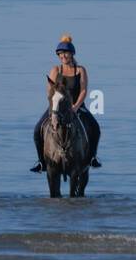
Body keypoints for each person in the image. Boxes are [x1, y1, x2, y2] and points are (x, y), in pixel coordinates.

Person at [30, 34, 101, 172]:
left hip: (77, 106)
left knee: (96, 128)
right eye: (60, 54)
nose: (63, 56)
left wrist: (75, 107)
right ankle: (41, 162)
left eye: (65, 53)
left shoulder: (80, 70)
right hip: (57, 107)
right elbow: (50, 93)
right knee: (37, 129)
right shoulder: (55, 70)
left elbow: (84, 91)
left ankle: (92, 158)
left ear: (72, 54)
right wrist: (54, 108)